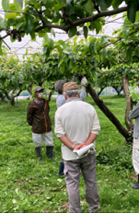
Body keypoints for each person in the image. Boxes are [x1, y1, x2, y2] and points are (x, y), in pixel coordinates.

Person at [54, 82, 101, 213]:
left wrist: (74, 147)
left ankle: (75, 210)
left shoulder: (60, 111)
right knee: (91, 181)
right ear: (79, 93)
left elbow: (59, 133)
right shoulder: (89, 107)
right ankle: (94, 208)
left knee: (72, 183)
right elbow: (96, 129)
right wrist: (85, 145)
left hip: (70, 155)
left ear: (64, 95)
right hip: (88, 152)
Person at [55, 74, 87, 176]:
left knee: (68, 148)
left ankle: (65, 171)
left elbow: (71, 89)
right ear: (62, 89)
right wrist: (82, 86)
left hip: (68, 123)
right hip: (68, 126)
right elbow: (80, 98)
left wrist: (75, 76)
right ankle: (62, 172)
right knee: (68, 149)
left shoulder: (60, 96)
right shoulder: (62, 99)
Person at [27, 86, 56, 162]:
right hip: (37, 128)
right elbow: (29, 117)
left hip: (47, 127)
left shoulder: (45, 102)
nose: (41, 93)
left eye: (42, 91)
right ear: (35, 93)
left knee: (49, 142)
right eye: (39, 91)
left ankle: (50, 156)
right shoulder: (32, 104)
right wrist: (34, 124)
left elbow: (47, 112)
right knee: (38, 143)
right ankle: (39, 157)